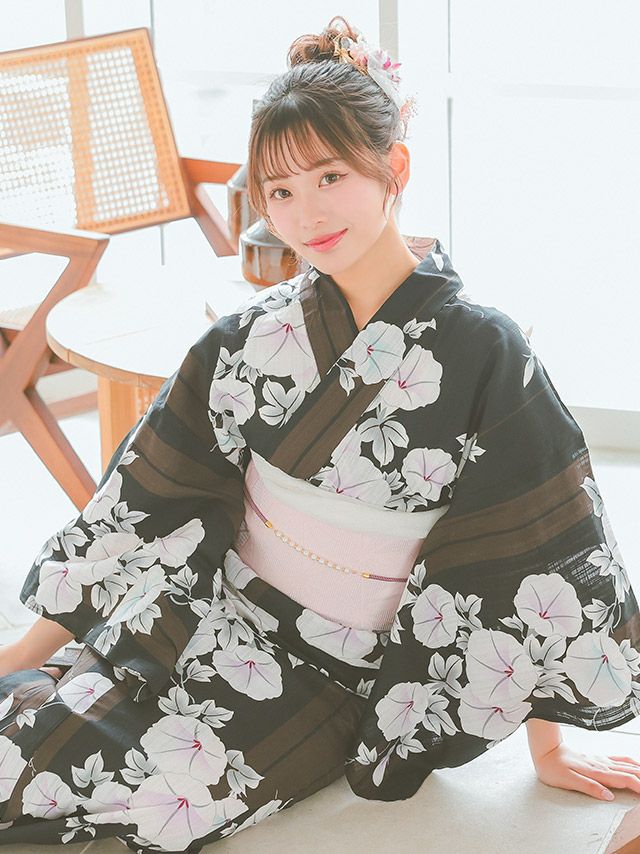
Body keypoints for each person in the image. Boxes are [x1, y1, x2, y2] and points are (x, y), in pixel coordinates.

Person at [0, 14, 639, 852]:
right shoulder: (248, 337)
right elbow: (148, 496)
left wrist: (546, 746)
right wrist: (21, 649)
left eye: (331, 176)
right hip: (204, 606)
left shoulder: (486, 350)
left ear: (394, 169)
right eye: (280, 192)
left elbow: (532, 543)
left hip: (328, 670)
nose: (307, 214)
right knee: (32, 741)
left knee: (148, 796)